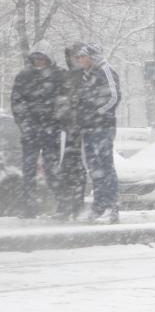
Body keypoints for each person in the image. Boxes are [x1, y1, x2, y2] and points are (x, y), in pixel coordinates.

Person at [11, 42, 65, 218]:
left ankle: (60, 204)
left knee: (52, 168)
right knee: (28, 169)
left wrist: (56, 121)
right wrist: (25, 124)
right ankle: (29, 206)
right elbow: (17, 102)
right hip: (31, 131)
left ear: (49, 59)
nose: (39, 61)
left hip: (51, 130)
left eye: (42, 58)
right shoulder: (24, 76)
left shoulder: (58, 76)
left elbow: (64, 100)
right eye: (36, 58)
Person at [75, 43, 121, 223]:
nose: (79, 60)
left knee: (105, 166)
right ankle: (99, 205)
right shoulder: (88, 75)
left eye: (82, 56)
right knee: (94, 168)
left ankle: (113, 205)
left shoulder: (106, 71)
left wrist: (97, 113)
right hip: (89, 128)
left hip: (103, 127)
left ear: (91, 57)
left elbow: (114, 96)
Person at [53, 42, 88, 220]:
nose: (75, 60)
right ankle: (65, 205)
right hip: (67, 131)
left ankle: (75, 205)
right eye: (73, 57)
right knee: (66, 168)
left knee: (78, 169)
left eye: (78, 56)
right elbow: (60, 101)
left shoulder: (87, 77)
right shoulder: (67, 77)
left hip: (80, 131)